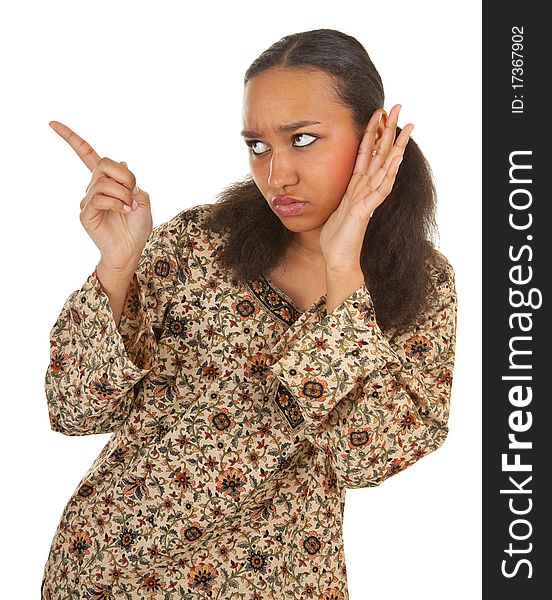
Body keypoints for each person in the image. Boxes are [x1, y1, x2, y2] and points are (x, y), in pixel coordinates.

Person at [41, 28, 457, 600]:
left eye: (303, 139)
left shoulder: (419, 286)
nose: (276, 174)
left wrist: (344, 277)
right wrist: (117, 267)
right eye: (258, 146)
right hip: (110, 572)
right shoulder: (199, 242)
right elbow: (74, 410)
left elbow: (370, 458)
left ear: (376, 134)